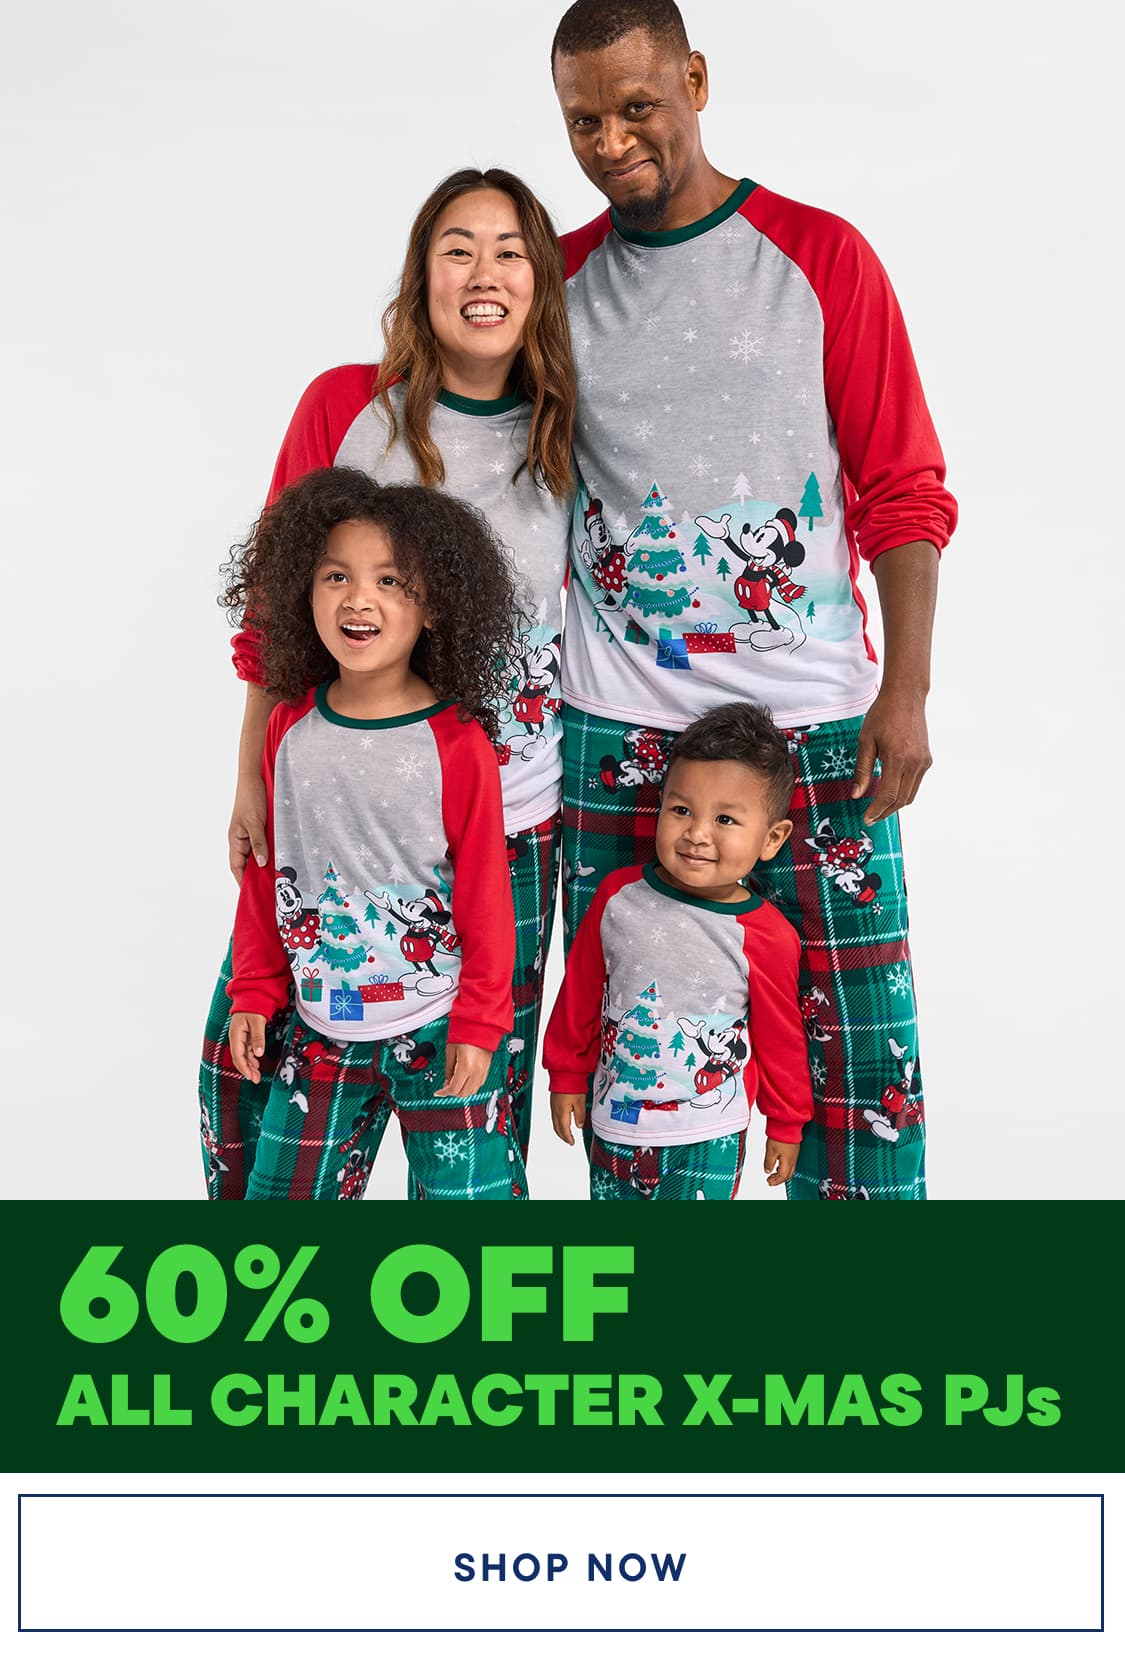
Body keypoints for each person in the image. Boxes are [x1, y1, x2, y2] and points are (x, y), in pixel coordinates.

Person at [550, 0, 957, 1200]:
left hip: (817, 730)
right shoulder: (556, 285)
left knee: (860, 1069)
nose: (614, 140)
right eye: (583, 120)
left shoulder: (823, 258)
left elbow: (903, 488)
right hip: (620, 738)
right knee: (643, 1082)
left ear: (698, 79)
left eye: (639, 106)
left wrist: (909, 689)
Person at [200, 168, 576, 1188]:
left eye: (509, 251)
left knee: (467, 1135)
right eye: (458, 248)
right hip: (330, 809)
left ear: (543, 281)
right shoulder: (346, 409)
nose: (483, 273)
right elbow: (274, 615)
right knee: (255, 1087)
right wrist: (252, 775)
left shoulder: (573, 439)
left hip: (506, 830)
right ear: (422, 277)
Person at [217, 467, 524, 1201]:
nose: (358, 598)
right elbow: (268, 872)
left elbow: (484, 893)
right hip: (321, 1026)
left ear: (434, 608)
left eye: (390, 581)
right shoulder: (289, 725)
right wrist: (253, 990)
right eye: (335, 576)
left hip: (435, 1026)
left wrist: (481, 1019)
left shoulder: (456, 743)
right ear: (304, 591)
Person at [544, 703, 813, 1200]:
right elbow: (579, 993)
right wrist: (565, 1073)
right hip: (614, 1122)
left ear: (771, 838)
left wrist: (787, 1121)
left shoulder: (766, 933)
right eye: (681, 809)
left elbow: (781, 1037)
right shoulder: (617, 897)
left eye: (726, 819)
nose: (697, 833)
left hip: (708, 1133)